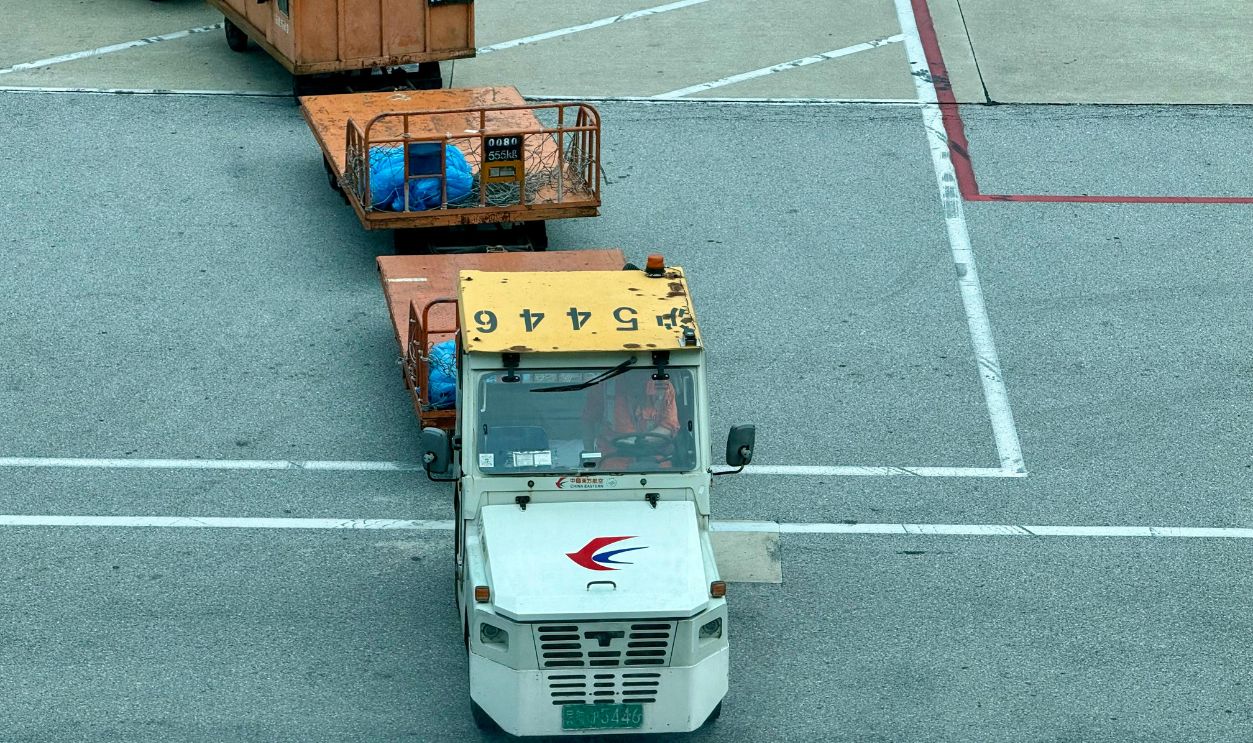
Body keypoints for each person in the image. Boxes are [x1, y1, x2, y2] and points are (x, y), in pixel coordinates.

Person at [582, 374, 679, 466]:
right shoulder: (603, 387)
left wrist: (640, 441)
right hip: (613, 454)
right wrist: (590, 455)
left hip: (655, 454)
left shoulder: (664, 387)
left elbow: (669, 426)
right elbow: (588, 421)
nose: (638, 376)